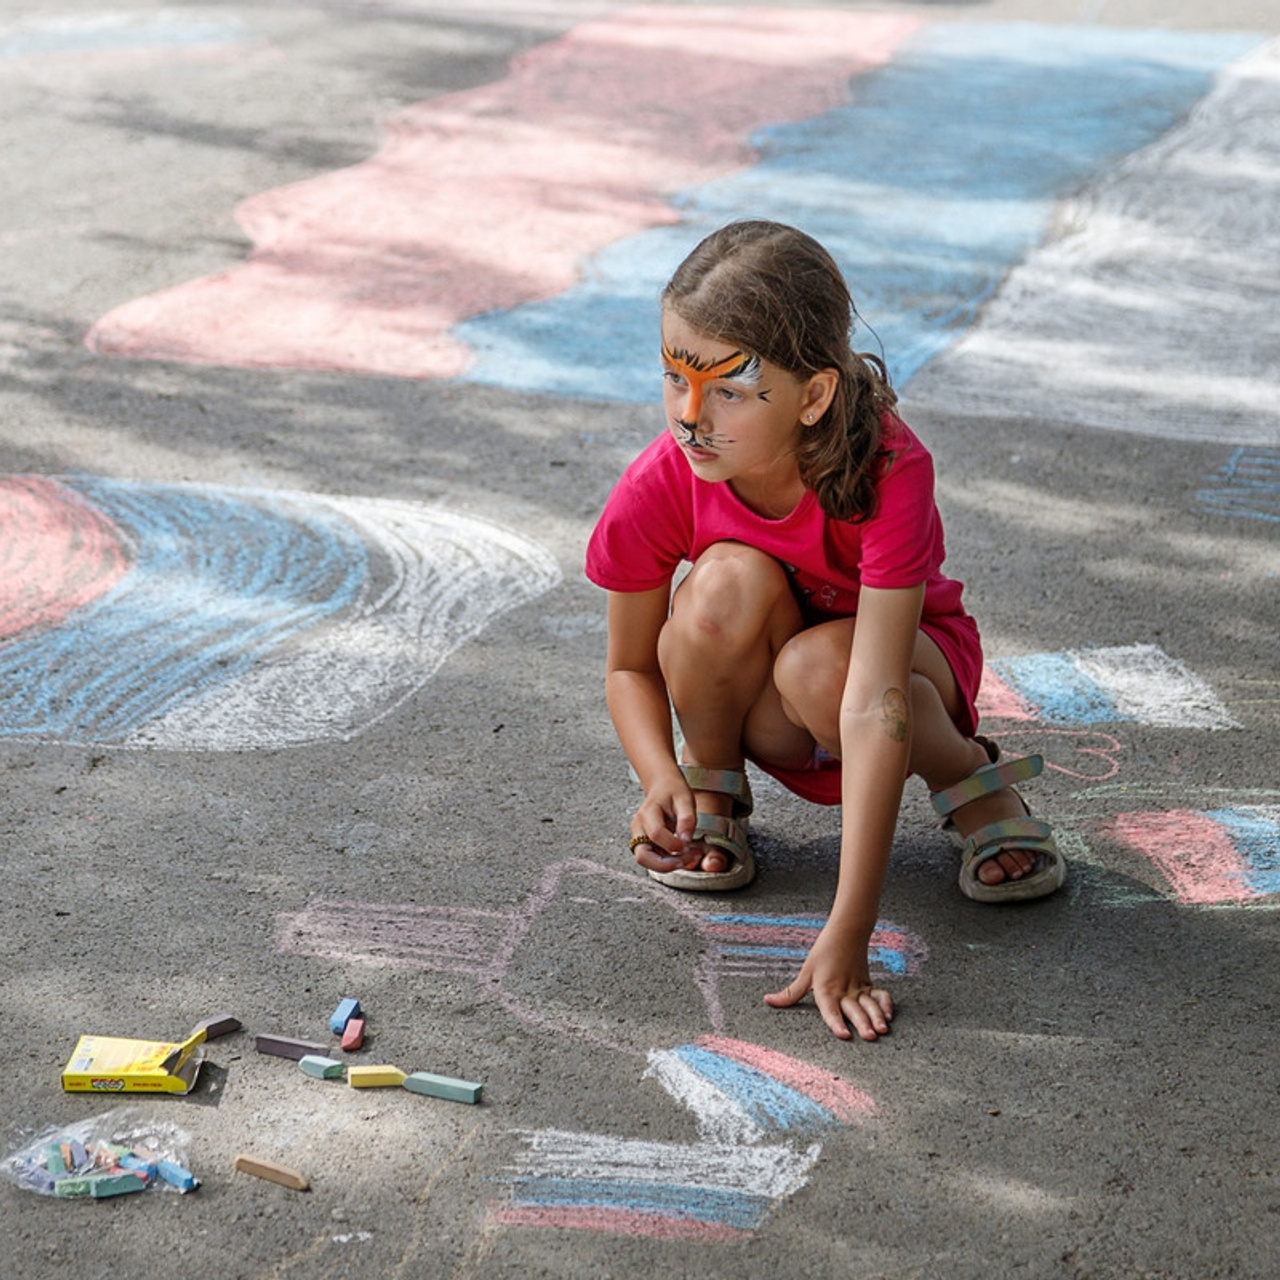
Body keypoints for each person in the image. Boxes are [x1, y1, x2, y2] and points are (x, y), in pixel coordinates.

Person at [585, 220, 1065, 1042]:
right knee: (719, 587)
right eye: (674, 380)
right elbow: (630, 667)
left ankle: (969, 780)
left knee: (821, 669)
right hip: (773, 699)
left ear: (814, 397)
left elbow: (877, 700)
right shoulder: (663, 479)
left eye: (729, 390)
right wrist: (656, 772)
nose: (690, 417)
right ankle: (712, 788)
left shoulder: (888, 467)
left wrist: (851, 930)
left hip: (904, 677)